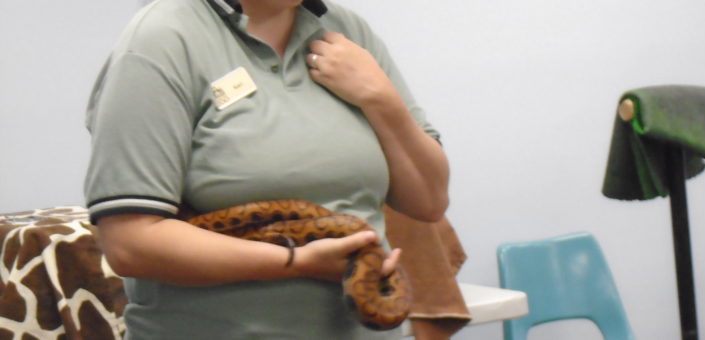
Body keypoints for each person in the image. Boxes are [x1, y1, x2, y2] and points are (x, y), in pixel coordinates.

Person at [84, 0, 449, 338]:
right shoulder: (162, 38)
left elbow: (429, 201)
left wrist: (380, 97)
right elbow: (130, 244)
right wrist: (297, 262)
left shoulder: (347, 30)